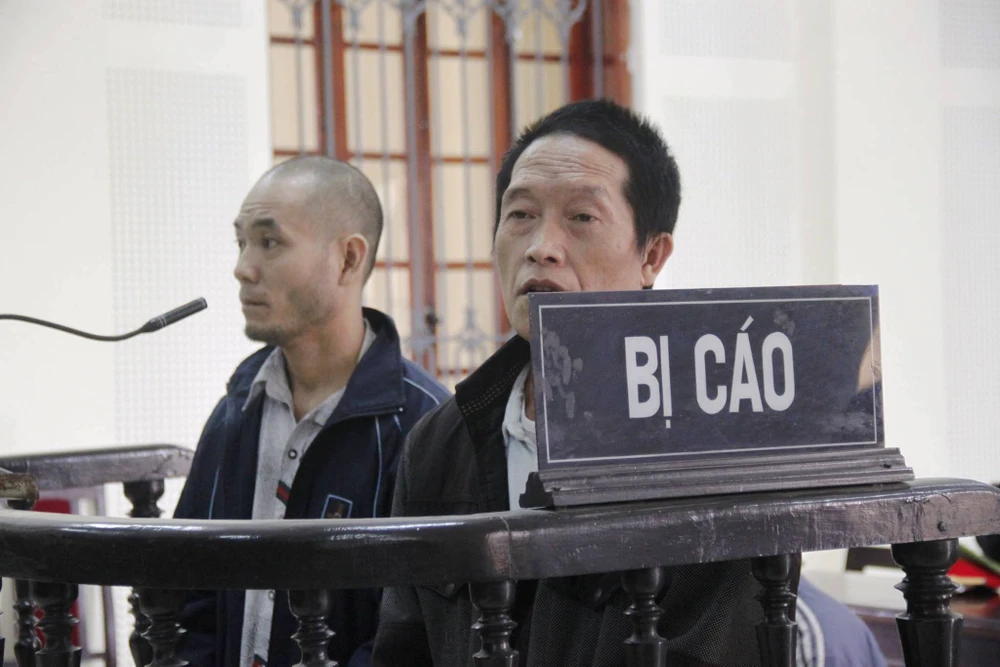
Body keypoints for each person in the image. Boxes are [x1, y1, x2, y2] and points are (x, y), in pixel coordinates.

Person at [372, 99, 887, 667]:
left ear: (652, 255)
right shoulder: (440, 443)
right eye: (520, 215)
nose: (541, 246)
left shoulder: (716, 440)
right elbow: (402, 645)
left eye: (581, 218)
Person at [174, 156, 449, 667]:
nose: (243, 267)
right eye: (241, 242)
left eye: (269, 242)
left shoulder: (425, 425)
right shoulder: (238, 407)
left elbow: (411, 634)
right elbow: (187, 589)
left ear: (348, 259)